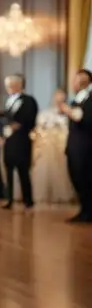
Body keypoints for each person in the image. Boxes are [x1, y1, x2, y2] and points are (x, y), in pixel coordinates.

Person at [0, 74, 38, 210]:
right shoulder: (8, 100)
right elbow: (6, 116)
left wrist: (19, 125)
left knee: (23, 171)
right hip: (9, 140)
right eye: (7, 84)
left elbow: (31, 118)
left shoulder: (29, 100)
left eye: (10, 84)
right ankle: (9, 198)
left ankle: (28, 200)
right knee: (8, 169)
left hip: (22, 141)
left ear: (19, 85)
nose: (7, 87)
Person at [32, 88, 75, 204]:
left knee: (61, 168)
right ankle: (43, 193)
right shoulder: (45, 113)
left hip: (61, 144)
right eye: (57, 99)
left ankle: (61, 194)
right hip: (47, 145)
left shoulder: (67, 114)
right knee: (44, 168)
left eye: (62, 99)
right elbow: (39, 128)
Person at [62, 69, 92, 223]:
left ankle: (89, 213)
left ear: (84, 81)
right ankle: (84, 211)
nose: (73, 83)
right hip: (74, 146)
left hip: (87, 146)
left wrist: (69, 111)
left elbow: (86, 119)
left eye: (76, 80)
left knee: (87, 178)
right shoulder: (74, 100)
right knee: (76, 178)